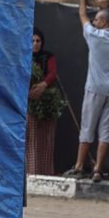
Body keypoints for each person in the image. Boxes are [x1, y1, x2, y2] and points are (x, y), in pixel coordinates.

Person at [63, 0, 109, 182]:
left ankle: (80, 166)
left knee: (88, 128)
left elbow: (82, 15)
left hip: (95, 88)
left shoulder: (94, 36)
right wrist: (104, 7)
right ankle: (97, 169)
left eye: (97, 19)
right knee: (106, 131)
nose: (94, 22)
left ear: (104, 22)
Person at [26, 27, 63, 175]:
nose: (35, 44)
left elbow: (52, 73)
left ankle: (45, 173)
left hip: (46, 105)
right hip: (30, 104)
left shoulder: (48, 56)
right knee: (31, 139)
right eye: (33, 41)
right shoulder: (24, 57)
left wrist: (43, 85)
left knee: (45, 140)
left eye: (38, 41)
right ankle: (31, 171)